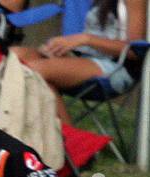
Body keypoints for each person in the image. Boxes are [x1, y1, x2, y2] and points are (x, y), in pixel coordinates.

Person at [13, 0, 146, 125]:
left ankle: (69, 142)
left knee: (32, 72)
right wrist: (57, 49)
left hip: (117, 68)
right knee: (13, 58)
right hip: (82, 57)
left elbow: (134, 51)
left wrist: (85, 39)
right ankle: (21, 137)